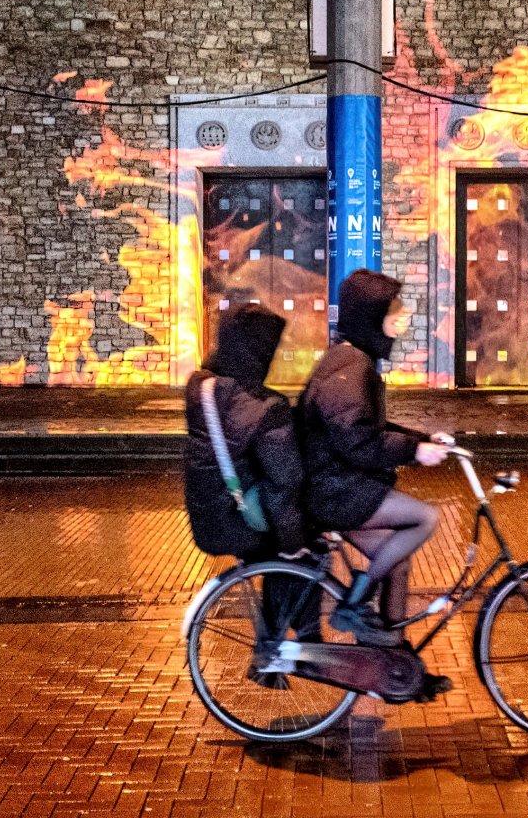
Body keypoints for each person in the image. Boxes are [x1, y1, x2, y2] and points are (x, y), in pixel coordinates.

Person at [298, 268, 452, 699]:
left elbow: (369, 425)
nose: (403, 317)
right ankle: (352, 604)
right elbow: (356, 437)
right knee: (423, 518)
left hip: (341, 484)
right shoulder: (351, 363)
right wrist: (413, 452)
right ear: (373, 314)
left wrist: (421, 440)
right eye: (395, 309)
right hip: (334, 489)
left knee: (397, 559)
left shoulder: (355, 357)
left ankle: (396, 666)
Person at [183, 307, 310, 563]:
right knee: (308, 548)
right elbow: (284, 483)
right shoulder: (266, 408)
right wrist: (293, 546)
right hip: (239, 525)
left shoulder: (204, 391)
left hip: (207, 522)